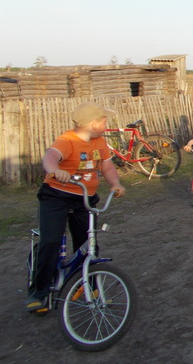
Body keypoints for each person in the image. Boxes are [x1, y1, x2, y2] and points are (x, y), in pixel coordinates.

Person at [26, 102, 126, 313]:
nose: (106, 123)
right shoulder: (67, 140)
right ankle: (39, 292)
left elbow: (106, 166)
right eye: (104, 119)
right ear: (94, 123)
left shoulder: (99, 143)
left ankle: (89, 286)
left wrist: (115, 183)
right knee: (51, 241)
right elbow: (50, 157)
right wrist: (55, 170)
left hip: (85, 200)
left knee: (88, 245)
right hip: (56, 197)